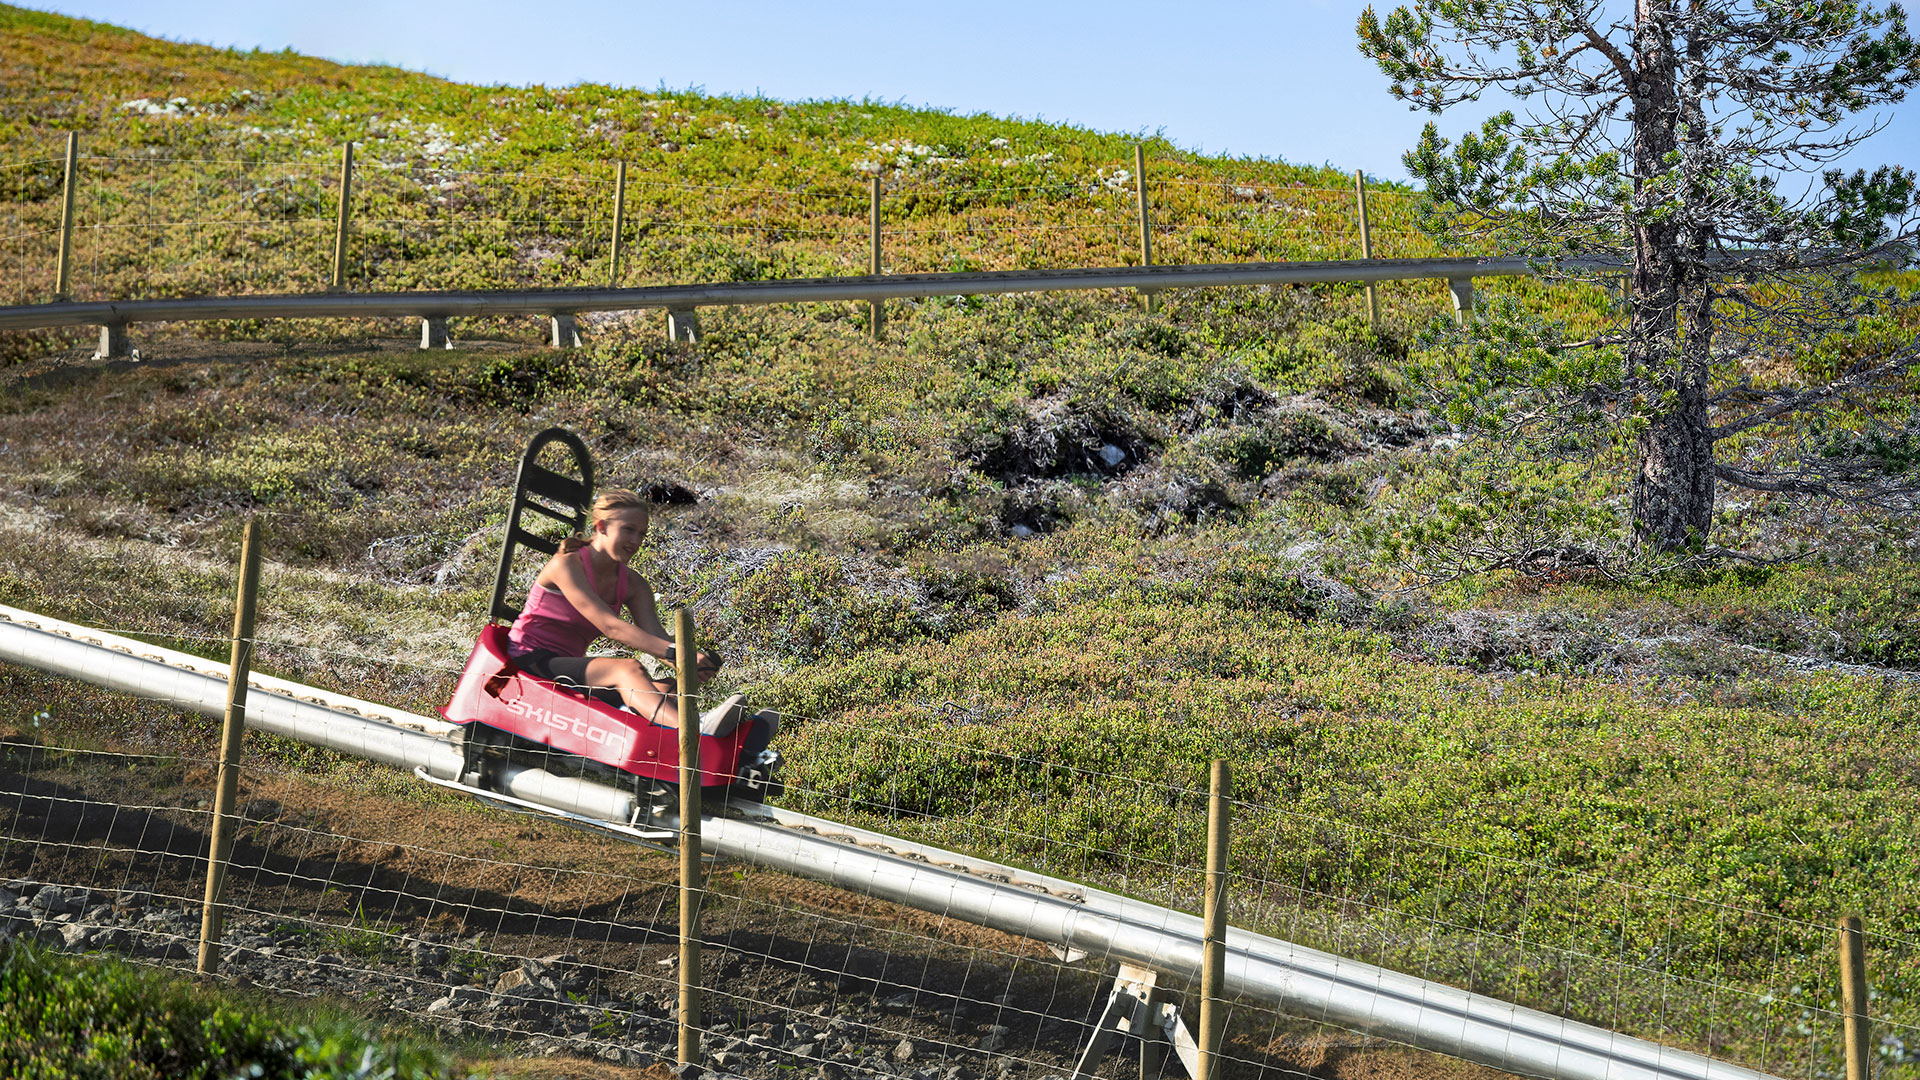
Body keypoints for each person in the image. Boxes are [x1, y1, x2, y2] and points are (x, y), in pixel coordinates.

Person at [504, 489, 777, 763]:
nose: (635, 541)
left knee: (664, 690)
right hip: (528, 660)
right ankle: (697, 733)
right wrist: (677, 654)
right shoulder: (566, 566)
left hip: (567, 666)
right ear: (602, 527)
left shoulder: (633, 584)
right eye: (628, 530)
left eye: (641, 534)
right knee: (628, 669)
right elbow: (610, 626)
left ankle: (736, 750)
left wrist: (692, 665)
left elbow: (655, 638)